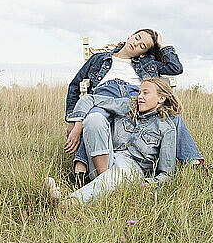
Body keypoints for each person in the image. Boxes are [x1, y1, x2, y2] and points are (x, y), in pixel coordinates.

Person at [63, 29, 203, 186]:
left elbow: (175, 68)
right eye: (137, 38)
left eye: (142, 46)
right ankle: (81, 173)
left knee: (172, 117)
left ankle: (194, 164)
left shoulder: (147, 63)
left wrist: (161, 45)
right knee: (94, 117)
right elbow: (75, 85)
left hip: (133, 99)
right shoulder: (98, 58)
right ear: (130, 36)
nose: (136, 43)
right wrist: (73, 119)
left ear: (143, 53)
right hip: (104, 97)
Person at [46, 78, 179, 207]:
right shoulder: (128, 106)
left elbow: (166, 173)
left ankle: (66, 203)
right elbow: (89, 99)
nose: (139, 96)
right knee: (94, 119)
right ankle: (102, 189)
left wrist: (150, 183)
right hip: (105, 159)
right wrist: (77, 124)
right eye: (139, 92)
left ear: (161, 99)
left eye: (145, 93)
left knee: (117, 174)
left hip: (132, 168)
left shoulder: (167, 128)